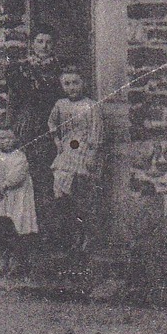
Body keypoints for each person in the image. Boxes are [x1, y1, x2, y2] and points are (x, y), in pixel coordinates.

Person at [6, 29, 61, 223]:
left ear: (53, 45)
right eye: (39, 41)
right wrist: (10, 126)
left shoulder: (60, 70)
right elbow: (13, 100)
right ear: (32, 44)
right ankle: (23, 225)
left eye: (48, 42)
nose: (44, 46)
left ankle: (46, 227)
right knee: (24, 173)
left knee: (46, 175)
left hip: (49, 125)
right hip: (27, 124)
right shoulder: (22, 69)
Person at [48, 68, 104, 254]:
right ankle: (69, 237)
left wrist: (92, 154)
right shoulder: (60, 104)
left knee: (82, 195)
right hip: (66, 153)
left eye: (75, 83)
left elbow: (96, 132)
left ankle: (85, 237)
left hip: (83, 153)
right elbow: (52, 123)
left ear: (83, 84)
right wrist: (57, 141)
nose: (71, 87)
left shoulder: (91, 106)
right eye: (67, 83)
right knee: (61, 192)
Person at [0, 127, 38, 238]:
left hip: (15, 192)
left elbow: (17, 175)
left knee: (16, 216)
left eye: (10, 138)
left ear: (15, 139)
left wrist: (3, 186)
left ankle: (20, 237)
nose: (7, 141)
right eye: (2, 138)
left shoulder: (19, 156)